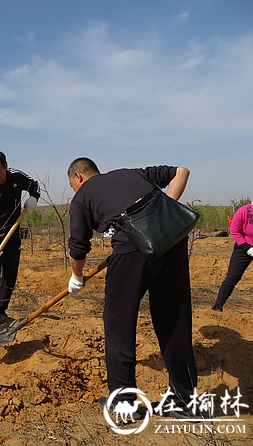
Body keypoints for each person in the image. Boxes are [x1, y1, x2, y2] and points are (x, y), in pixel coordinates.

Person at [66, 157, 198, 419]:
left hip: (132, 248)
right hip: (171, 240)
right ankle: (184, 401)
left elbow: (78, 245)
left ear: (78, 177)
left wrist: (76, 275)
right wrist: (164, 216)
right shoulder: (128, 173)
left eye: (72, 185)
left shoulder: (82, 197)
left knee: (119, 322)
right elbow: (182, 171)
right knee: (174, 316)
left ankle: (124, 403)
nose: (75, 191)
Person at [0, 150, 40, 328]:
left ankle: (0, 311)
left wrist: (34, 197)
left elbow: (35, 184)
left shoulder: (16, 177)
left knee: (10, 273)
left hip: (13, 233)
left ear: (5, 166)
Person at [212, 202, 253, 312]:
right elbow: (234, 231)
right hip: (243, 248)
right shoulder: (244, 211)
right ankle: (218, 306)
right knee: (232, 278)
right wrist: (247, 249)